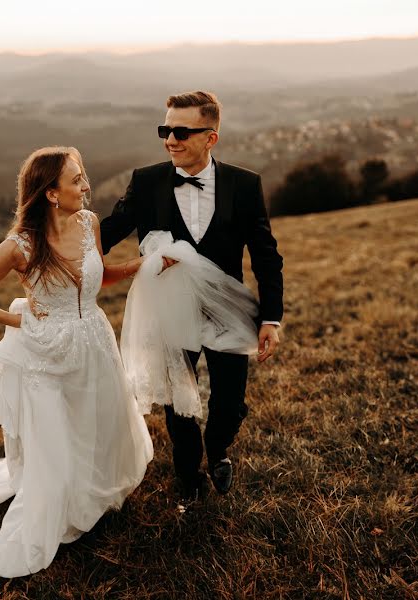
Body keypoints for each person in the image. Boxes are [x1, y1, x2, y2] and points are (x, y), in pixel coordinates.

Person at [0, 146, 155, 578]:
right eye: (76, 179)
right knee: (59, 435)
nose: (86, 185)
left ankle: (96, 487)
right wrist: (17, 319)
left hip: (96, 338)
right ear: (50, 193)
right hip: (49, 349)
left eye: (83, 176)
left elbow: (98, 273)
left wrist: (142, 264)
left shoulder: (89, 222)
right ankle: (63, 500)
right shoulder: (20, 245)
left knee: (96, 420)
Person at [100, 91, 284, 502]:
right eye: (165, 130)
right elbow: (109, 232)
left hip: (228, 310)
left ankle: (219, 446)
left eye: (181, 131)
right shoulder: (146, 182)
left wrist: (271, 317)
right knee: (177, 401)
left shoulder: (245, 184)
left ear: (211, 137)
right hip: (169, 310)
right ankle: (189, 473)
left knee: (229, 402)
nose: (170, 140)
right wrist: (60, 241)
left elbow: (266, 256)